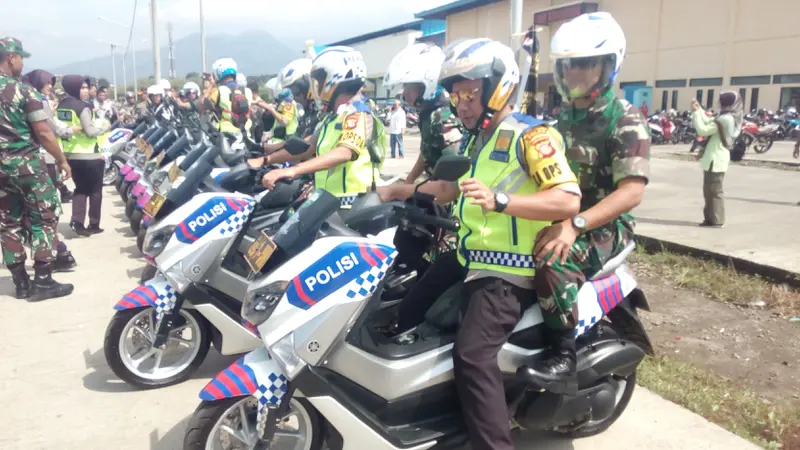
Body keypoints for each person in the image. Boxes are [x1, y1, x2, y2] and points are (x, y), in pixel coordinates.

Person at [378, 38, 581, 450]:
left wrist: (502, 201)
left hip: (510, 270)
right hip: (468, 256)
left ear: (498, 87)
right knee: (406, 310)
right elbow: (452, 188)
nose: (461, 104)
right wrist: (403, 190)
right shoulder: (478, 139)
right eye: (456, 95)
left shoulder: (532, 136)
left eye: (469, 93)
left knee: (472, 356)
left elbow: (568, 199)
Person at [515, 12, 650, 393]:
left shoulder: (623, 119)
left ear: (607, 67)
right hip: (565, 216)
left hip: (604, 226)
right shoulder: (562, 120)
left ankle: (563, 354)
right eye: (568, 65)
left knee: (552, 259)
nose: (573, 73)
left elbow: (632, 191)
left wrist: (574, 226)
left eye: (584, 65)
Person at [260, 46, 386, 209]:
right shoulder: (332, 118)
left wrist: (292, 171)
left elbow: (344, 152)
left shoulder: (358, 114)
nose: (317, 87)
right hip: (329, 203)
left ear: (336, 78)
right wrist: (266, 159)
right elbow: (308, 149)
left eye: (320, 81)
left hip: (354, 205)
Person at [0, 37, 74, 301]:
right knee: (44, 219)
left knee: (8, 224)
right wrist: (62, 160)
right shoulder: (24, 91)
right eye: (21, 58)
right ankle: (42, 280)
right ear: (11, 58)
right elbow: (44, 132)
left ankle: (20, 282)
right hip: (27, 167)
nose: (22, 63)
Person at [20, 69, 78, 272]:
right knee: (45, 211)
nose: (50, 86)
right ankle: (56, 253)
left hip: (31, 162)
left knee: (36, 212)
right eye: (47, 82)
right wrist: (63, 156)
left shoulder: (23, 98)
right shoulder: (36, 100)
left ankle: (56, 253)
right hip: (41, 160)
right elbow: (48, 130)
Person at [383, 42, 464, 184]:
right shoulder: (429, 114)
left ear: (427, 83)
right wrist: (410, 180)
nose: (404, 93)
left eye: (408, 86)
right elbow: (427, 151)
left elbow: (456, 174)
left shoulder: (443, 117)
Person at [57, 75, 110, 236]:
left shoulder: (61, 107)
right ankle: (94, 224)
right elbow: (90, 131)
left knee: (80, 188)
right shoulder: (83, 107)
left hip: (71, 154)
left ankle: (77, 222)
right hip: (90, 155)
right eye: (82, 88)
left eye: (86, 87)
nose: (86, 91)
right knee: (95, 190)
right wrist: (105, 127)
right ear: (74, 88)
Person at [691, 92, 741, 228]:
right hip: (715, 158)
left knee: (714, 191)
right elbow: (709, 121)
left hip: (716, 159)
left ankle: (717, 220)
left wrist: (696, 113)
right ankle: (710, 219)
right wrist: (699, 109)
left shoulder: (725, 119)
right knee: (709, 191)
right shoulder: (727, 116)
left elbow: (703, 129)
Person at [207, 58, 252, 137]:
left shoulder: (218, 91)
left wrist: (211, 85)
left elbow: (201, 105)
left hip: (225, 138)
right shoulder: (247, 91)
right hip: (245, 136)